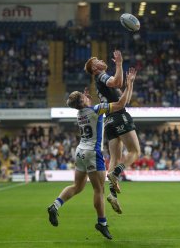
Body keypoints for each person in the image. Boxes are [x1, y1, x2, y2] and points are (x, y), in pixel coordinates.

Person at [47, 67, 137, 240]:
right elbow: (120, 104)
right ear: (83, 101)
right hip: (92, 153)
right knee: (99, 190)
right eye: (84, 96)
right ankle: (102, 223)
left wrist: (84, 98)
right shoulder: (96, 110)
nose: (86, 96)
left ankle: (55, 206)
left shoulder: (80, 113)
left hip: (80, 152)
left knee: (77, 187)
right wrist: (129, 84)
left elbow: (83, 104)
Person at [84, 50, 141, 214]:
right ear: (95, 68)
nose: (101, 60)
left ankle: (112, 194)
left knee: (115, 158)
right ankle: (116, 173)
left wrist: (130, 83)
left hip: (109, 121)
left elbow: (124, 100)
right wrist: (118, 63)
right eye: (97, 60)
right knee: (135, 151)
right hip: (118, 116)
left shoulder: (101, 82)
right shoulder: (101, 75)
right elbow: (117, 82)